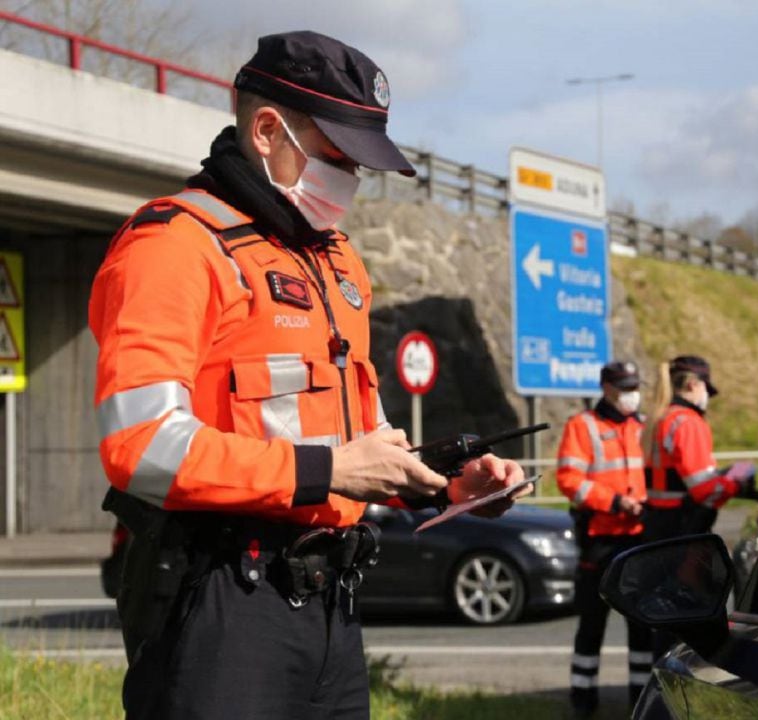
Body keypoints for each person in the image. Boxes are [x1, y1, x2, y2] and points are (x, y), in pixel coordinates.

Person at [89, 31, 529, 720]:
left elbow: (358, 442)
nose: (351, 178)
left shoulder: (336, 260)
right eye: (338, 156)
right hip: (222, 605)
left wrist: (446, 486)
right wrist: (331, 470)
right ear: (268, 131)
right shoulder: (173, 247)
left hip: (331, 609)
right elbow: (139, 447)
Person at [556, 361, 653, 717]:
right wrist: (614, 502)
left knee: (642, 625)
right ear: (606, 388)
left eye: (634, 386)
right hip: (599, 540)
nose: (631, 394)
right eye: (624, 387)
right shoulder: (583, 426)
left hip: (638, 538)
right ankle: (583, 701)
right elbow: (570, 480)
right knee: (592, 623)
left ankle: (641, 700)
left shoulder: (643, 426)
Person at [643, 356, 750, 659]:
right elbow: (705, 490)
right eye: (706, 388)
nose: (707, 397)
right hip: (687, 531)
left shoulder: (659, 418)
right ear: (693, 384)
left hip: (660, 527)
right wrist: (738, 481)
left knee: (669, 619)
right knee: (697, 619)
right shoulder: (688, 422)